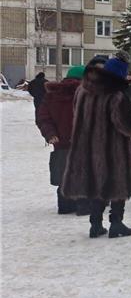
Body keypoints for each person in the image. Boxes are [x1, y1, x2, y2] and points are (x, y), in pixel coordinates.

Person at [60, 54, 131, 239]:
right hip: (113, 147)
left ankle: (95, 224)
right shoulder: (116, 95)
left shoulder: (82, 91)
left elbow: (77, 113)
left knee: (98, 184)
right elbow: (127, 124)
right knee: (118, 184)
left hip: (88, 145)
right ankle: (116, 223)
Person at [35, 65, 85, 214]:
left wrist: (50, 134)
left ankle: (65, 206)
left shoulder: (51, 95)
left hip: (60, 143)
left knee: (64, 172)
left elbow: (43, 118)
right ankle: (83, 205)